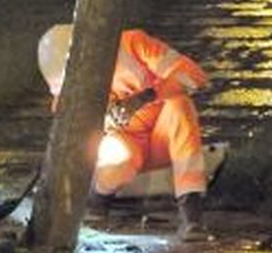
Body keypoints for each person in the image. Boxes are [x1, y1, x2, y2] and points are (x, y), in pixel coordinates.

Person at [37, 24, 211, 241]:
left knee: (180, 106)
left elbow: (192, 75)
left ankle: (192, 214)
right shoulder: (66, 89)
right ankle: (98, 202)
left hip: (164, 136)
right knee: (114, 154)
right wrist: (100, 123)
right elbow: (68, 123)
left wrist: (145, 97)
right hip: (125, 144)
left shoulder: (133, 44)